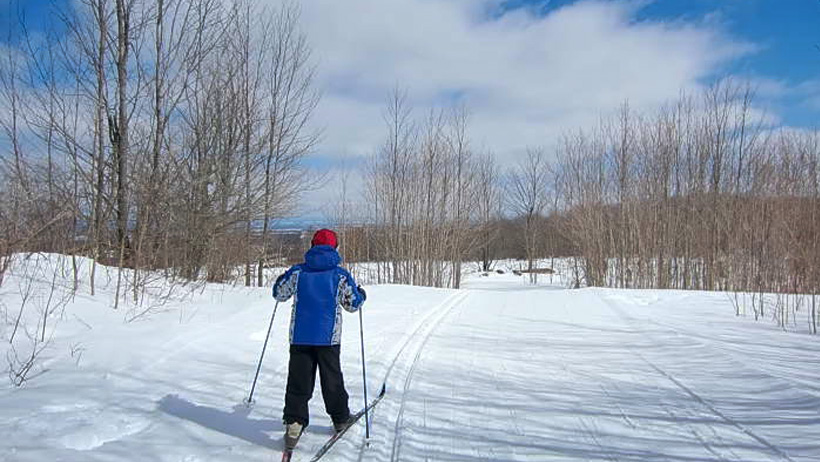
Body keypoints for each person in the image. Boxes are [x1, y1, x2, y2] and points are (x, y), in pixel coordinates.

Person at [272, 229, 367, 449]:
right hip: (328, 337)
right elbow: (353, 304)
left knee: (298, 381)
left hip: (300, 337)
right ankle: (340, 418)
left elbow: (279, 294)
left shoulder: (297, 272)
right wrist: (362, 294)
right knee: (332, 379)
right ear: (335, 247)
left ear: (312, 246)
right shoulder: (340, 275)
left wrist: (279, 280)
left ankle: (294, 424)